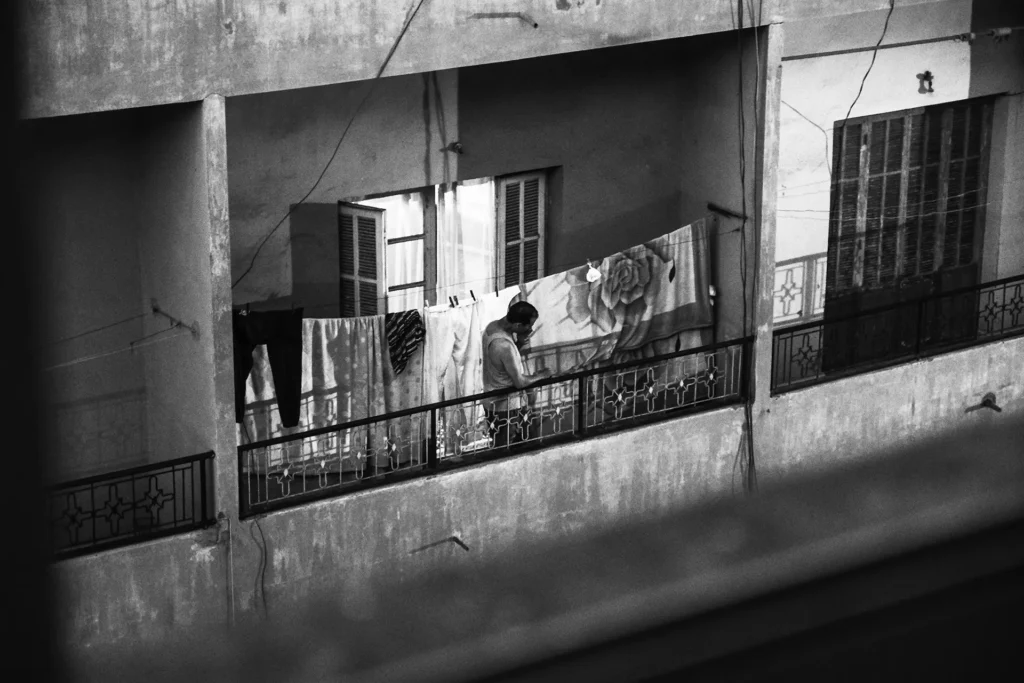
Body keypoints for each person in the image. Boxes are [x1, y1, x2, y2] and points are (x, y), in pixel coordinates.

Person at [482, 301, 552, 447]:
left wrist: (519, 343)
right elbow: (519, 382)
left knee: (509, 444)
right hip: (505, 407)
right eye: (528, 326)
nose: (531, 329)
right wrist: (541, 375)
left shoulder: (491, 327)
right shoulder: (503, 345)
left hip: (494, 403)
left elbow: (503, 364)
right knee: (506, 449)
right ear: (518, 325)